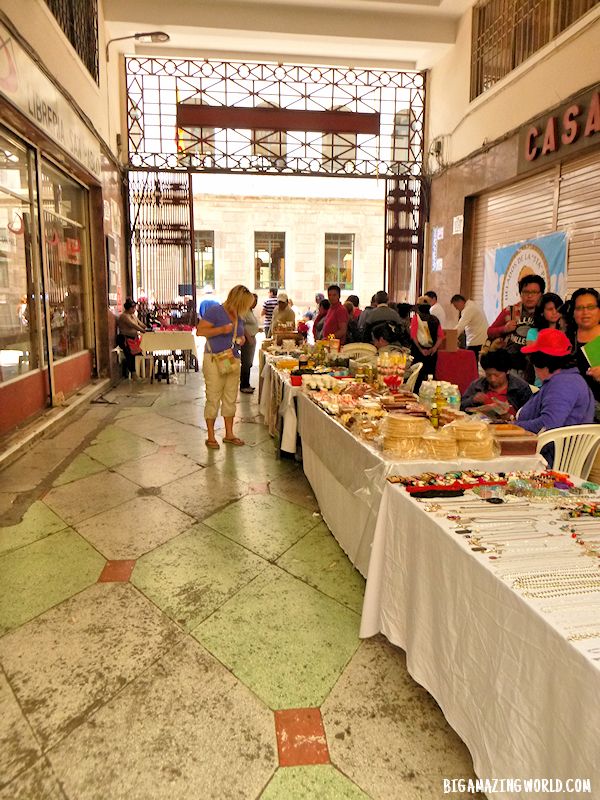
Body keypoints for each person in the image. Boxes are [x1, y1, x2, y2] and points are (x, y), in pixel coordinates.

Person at [516, 329, 595, 465]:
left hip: (552, 461)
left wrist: (513, 427)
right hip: (552, 456)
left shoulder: (563, 384)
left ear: (541, 361)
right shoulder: (566, 380)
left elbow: (548, 423)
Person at [196, 285, 254, 448]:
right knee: (213, 397)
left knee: (230, 398)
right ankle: (211, 436)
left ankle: (229, 434)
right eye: (245, 304)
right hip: (214, 359)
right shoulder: (215, 311)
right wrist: (222, 329)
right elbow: (200, 331)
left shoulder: (238, 315)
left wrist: (241, 339)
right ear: (238, 300)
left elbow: (240, 334)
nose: (246, 308)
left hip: (232, 359)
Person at [486, 274, 545, 374]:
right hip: (512, 366)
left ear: (541, 294)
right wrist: (504, 329)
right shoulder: (510, 311)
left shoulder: (545, 313)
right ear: (520, 293)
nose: (529, 296)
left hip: (537, 366)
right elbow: (490, 331)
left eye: (534, 292)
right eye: (526, 292)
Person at [460, 349, 532, 416]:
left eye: (497, 375)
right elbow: (460, 406)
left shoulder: (521, 388)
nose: (492, 379)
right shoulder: (477, 385)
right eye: (488, 375)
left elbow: (531, 413)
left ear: (507, 371)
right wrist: (473, 399)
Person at [567, 287, 600, 422]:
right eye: (579, 308)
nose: (585, 312)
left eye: (591, 307)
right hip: (572, 409)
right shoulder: (567, 339)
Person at [410, 296, 445, 392]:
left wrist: (421, 350)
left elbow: (413, 336)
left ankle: (417, 394)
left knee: (418, 376)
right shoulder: (435, 319)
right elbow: (440, 336)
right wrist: (434, 349)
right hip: (432, 353)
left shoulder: (415, 319)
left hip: (418, 352)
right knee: (430, 375)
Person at [451, 294, 488, 360]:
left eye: (456, 306)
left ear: (460, 301)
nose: (456, 309)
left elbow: (460, 326)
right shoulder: (472, 304)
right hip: (480, 338)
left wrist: (451, 337)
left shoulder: (469, 309)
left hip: (476, 340)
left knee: (469, 361)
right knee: (472, 362)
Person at [117, 298, 147, 376]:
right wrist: (142, 331)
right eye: (133, 308)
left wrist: (147, 328)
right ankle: (134, 375)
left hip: (134, 339)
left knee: (139, 355)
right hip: (126, 339)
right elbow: (133, 325)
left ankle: (140, 373)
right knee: (131, 357)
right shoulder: (124, 316)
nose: (135, 309)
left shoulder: (133, 315)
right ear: (129, 308)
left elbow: (140, 324)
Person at [240, 293, 259, 394]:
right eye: (254, 301)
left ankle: (247, 383)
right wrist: (248, 337)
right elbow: (242, 326)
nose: (255, 303)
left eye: (256, 301)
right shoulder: (244, 311)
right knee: (246, 362)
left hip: (252, 338)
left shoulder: (250, 311)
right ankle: (243, 385)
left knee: (249, 362)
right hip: (247, 340)